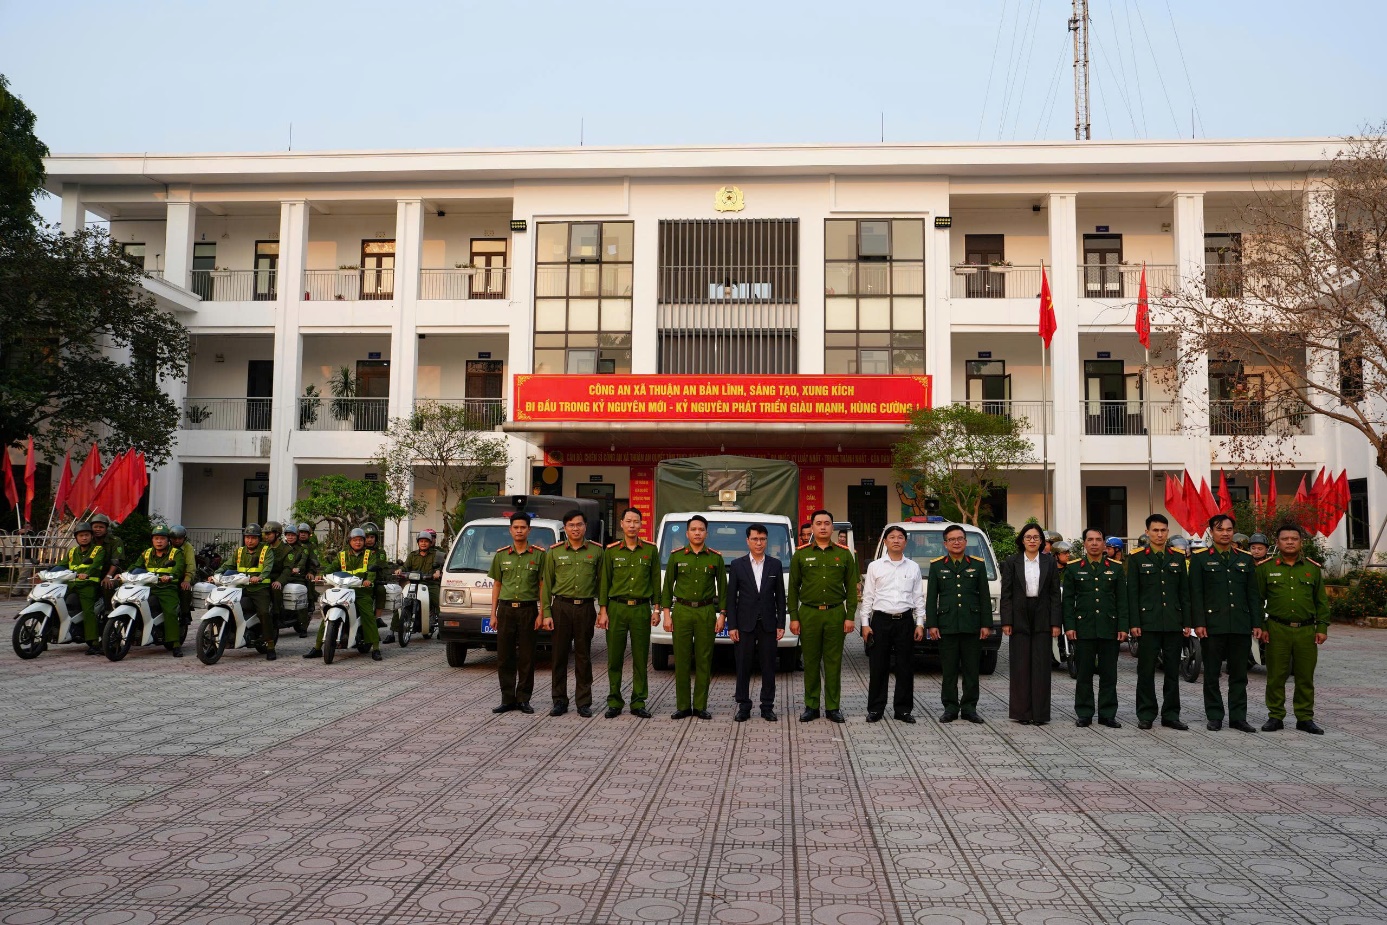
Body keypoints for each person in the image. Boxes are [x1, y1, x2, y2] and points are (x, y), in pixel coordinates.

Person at [1188, 513, 1258, 732]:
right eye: (1220, 529)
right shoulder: (1200, 558)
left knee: (1239, 675)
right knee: (1211, 673)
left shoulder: (1245, 559)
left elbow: (1252, 594)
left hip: (1239, 624)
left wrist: (1257, 623)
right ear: (1211, 532)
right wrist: (1198, 623)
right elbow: (1196, 593)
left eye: (1229, 529)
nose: (1225, 533)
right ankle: (1215, 715)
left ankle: (1238, 717)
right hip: (1212, 625)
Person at [1258, 524, 1330, 734]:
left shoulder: (1312, 568)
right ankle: (1275, 716)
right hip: (1276, 629)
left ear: (1301, 542)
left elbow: (1321, 601)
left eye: (1294, 539)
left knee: (1305, 676)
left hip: (1306, 631)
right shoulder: (1265, 568)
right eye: (1285, 539)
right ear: (1277, 542)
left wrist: (1322, 627)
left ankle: (1305, 718)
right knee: (1276, 676)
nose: (1290, 542)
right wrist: (1262, 626)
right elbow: (1256, 600)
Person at [788, 510, 857, 723]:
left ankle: (833, 707)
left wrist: (850, 616)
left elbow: (852, 588)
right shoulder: (801, 554)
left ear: (832, 527)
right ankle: (811, 706)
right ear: (812, 527)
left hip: (836, 613)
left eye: (827, 523)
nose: (823, 527)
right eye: (818, 523)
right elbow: (793, 588)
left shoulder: (844, 554)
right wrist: (794, 617)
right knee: (810, 661)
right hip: (809, 613)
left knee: (833, 662)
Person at [1126, 514, 1191, 730]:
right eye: (1155, 530)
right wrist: (1134, 623)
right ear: (1147, 532)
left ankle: (1171, 715)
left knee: (1172, 671)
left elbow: (1184, 593)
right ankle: (1146, 713)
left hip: (1173, 621)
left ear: (1168, 532)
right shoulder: (1136, 558)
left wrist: (1187, 621)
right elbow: (1132, 593)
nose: (1160, 534)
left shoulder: (1177, 557)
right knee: (1146, 671)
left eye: (1163, 530)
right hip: (1147, 623)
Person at [660, 515, 727, 720]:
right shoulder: (677, 556)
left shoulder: (715, 558)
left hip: (706, 611)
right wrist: (666, 615)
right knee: (681, 659)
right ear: (687, 533)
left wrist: (722, 615)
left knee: (704, 659)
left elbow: (723, 590)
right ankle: (683, 706)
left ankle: (700, 706)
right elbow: (667, 587)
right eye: (693, 529)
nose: (697, 533)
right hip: (682, 610)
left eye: (701, 529)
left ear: (706, 533)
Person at [598, 507, 661, 719]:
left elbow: (656, 581)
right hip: (616, 608)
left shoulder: (650, 550)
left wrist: (656, 609)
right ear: (622, 524)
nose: (632, 525)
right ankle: (614, 701)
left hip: (641, 609)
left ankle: (638, 701)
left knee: (640, 658)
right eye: (628, 521)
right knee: (614, 658)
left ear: (641, 524)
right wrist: (603, 611)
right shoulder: (611, 551)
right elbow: (605, 582)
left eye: (636, 521)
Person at [858, 525, 925, 724]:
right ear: (885, 541)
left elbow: (918, 597)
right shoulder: (875, 566)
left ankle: (903, 710)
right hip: (880, 621)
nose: (896, 540)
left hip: (905, 621)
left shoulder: (913, 567)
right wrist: (865, 623)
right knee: (878, 666)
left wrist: (920, 623)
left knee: (905, 666)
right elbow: (868, 596)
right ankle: (875, 709)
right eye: (892, 537)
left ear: (906, 542)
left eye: (900, 537)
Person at [542, 510, 606, 718]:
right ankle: (559, 700)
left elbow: (602, 583)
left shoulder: (597, 551)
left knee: (583, 656)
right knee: (559, 656)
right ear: (565, 528)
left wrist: (602, 609)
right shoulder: (554, 552)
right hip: (561, 607)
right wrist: (546, 612)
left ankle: (584, 702)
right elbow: (546, 585)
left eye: (579, 524)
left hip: (585, 608)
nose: (575, 528)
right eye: (571, 525)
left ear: (585, 526)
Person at [927, 524, 992, 724]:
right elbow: (931, 598)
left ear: (965, 541)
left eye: (960, 539)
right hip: (947, 625)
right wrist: (932, 624)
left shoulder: (977, 565)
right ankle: (950, 708)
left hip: (972, 624)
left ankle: (969, 708)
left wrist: (986, 624)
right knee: (949, 671)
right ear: (945, 543)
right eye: (952, 539)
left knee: (971, 670)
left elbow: (984, 596)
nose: (956, 542)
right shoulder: (937, 566)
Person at [1063, 528, 1128, 728]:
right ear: (1084, 543)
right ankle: (1084, 712)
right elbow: (1068, 600)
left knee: (1109, 674)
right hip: (1084, 627)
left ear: (1104, 544)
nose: (1094, 543)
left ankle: (1107, 714)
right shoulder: (1074, 568)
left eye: (1098, 540)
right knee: (1084, 673)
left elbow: (1122, 600)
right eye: (1090, 540)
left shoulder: (1115, 568)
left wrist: (1123, 626)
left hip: (1109, 627)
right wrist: (1069, 626)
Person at [1000, 523, 1061, 725]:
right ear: (1022, 540)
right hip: (1019, 615)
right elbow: (1006, 594)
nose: (1032, 540)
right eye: (1028, 537)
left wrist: (1055, 622)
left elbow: (1054, 594)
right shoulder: (1012, 561)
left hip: (1043, 614)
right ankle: (1022, 713)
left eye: (1036, 537)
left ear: (1041, 541)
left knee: (1041, 665)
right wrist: (1007, 621)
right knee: (1020, 665)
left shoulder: (1049, 562)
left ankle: (1040, 714)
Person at [727, 523, 786, 722]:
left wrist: (780, 624)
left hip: (768, 623)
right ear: (748, 541)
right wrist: (732, 626)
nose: (759, 543)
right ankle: (743, 706)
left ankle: (767, 706)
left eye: (762, 539)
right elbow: (731, 598)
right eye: (755, 539)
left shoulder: (775, 565)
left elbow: (780, 597)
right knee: (743, 665)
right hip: (744, 623)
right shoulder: (737, 565)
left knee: (768, 666)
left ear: (766, 541)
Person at [488, 513, 545, 714]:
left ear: (529, 530)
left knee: (527, 656)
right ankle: (507, 699)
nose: (519, 530)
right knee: (505, 656)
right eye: (516, 527)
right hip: (506, 610)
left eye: (523, 527)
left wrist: (541, 613)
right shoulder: (501, 555)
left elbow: (542, 585)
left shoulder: (539, 555)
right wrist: (493, 613)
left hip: (528, 610)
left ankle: (523, 699)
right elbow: (497, 584)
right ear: (510, 530)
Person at [224, 523, 278, 660]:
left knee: (264, 613)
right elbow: (227, 565)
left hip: (259, 588)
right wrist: (215, 574)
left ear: (259, 538)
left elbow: (267, 568)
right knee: (225, 604)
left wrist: (260, 577)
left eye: (253, 538)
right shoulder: (240, 551)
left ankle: (270, 645)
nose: (250, 540)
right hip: (240, 587)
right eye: (247, 537)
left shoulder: (266, 551)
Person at [139, 525, 189, 657]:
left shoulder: (176, 553)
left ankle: (175, 644)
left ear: (168, 540)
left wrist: (170, 576)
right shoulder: (146, 553)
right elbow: (135, 566)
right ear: (152, 540)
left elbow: (178, 569)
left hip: (167, 588)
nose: (159, 541)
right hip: (148, 587)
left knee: (170, 612)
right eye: (156, 538)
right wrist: (124, 574)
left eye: (162, 538)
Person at [66, 521, 106, 655]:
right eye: (81, 535)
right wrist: (47, 571)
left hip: (88, 586)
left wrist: (86, 574)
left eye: (87, 535)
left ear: (91, 536)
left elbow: (95, 565)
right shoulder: (72, 551)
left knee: (88, 612)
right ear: (76, 538)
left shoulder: (98, 550)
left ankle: (94, 642)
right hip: (71, 585)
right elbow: (62, 564)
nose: (84, 538)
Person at [394, 530, 441, 638]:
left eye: (426, 541)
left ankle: (443, 629)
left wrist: (437, 573)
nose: (423, 543)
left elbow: (438, 567)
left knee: (439, 603)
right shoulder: (412, 555)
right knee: (401, 602)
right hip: (414, 583)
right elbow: (405, 567)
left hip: (430, 584)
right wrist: (400, 570)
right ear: (418, 543)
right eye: (421, 541)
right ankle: (392, 631)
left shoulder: (435, 554)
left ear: (430, 543)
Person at [273, 527, 317, 637]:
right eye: (288, 535)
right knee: (274, 589)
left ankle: (303, 626)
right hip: (284, 576)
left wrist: (299, 569)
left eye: (292, 535)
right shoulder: (281, 547)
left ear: (296, 536)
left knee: (300, 595)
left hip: (298, 578)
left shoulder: (303, 548)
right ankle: (276, 615)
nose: (290, 537)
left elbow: (303, 561)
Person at [89, 513, 124, 606]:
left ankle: (108, 610)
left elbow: (116, 561)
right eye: (95, 527)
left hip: (112, 574)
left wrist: (108, 576)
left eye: (101, 527)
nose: (98, 529)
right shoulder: (89, 541)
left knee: (107, 585)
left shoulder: (115, 541)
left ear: (106, 529)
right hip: (93, 573)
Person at [168, 525, 196, 622]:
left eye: (180, 538)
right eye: (174, 538)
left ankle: (185, 614)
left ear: (184, 538)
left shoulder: (188, 547)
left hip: (184, 575)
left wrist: (187, 580)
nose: (177, 541)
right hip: (167, 575)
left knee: (185, 589)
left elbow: (191, 565)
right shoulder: (166, 546)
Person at [296, 523, 321, 610]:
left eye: (305, 533)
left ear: (308, 534)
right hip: (294, 570)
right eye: (301, 532)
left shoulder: (312, 546)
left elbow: (314, 561)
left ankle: (311, 602)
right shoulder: (294, 544)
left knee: (309, 579)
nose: (303, 534)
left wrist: (311, 572)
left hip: (307, 571)